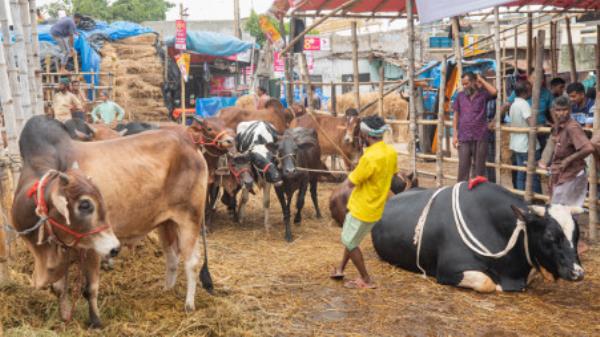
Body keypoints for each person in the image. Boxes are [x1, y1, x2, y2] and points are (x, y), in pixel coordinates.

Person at [330, 115, 397, 289]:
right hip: (376, 208)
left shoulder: (369, 158)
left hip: (362, 208)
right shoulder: (391, 152)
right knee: (352, 239)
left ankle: (365, 279)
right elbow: (391, 173)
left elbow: (352, 182)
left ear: (366, 135)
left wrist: (356, 168)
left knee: (349, 241)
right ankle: (340, 268)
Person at [452, 72, 497, 182]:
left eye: (467, 83)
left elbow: (495, 92)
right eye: (463, 84)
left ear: (473, 82)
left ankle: (476, 192)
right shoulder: (460, 96)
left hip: (480, 135)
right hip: (464, 136)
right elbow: (456, 116)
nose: (464, 86)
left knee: (479, 168)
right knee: (463, 167)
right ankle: (461, 191)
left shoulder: (483, 95)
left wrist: (481, 79)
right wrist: (454, 135)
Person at [509, 81, 541, 192]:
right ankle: (537, 198)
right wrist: (538, 126)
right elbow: (530, 121)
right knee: (534, 174)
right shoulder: (524, 104)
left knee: (521, 173)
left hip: (517, 144)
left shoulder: (514, 104)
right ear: (525, 91)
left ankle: (521, 197)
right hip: (526, 145)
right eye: (530, 89)